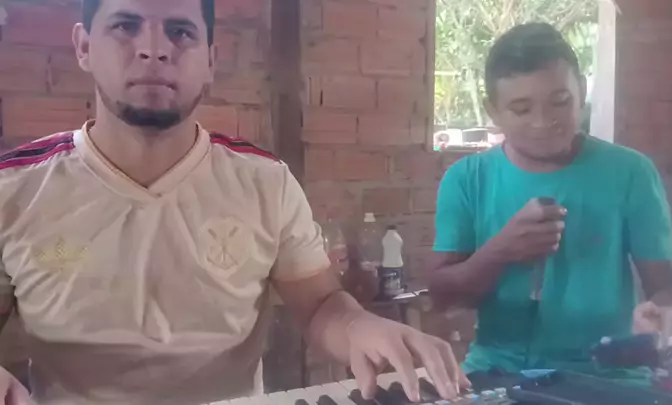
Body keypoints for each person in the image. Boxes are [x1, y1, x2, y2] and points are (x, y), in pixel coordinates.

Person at [0, 1, 469, 404]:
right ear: (83, 47)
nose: (154, 49)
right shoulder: (15, 187)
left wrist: (359, 328)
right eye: (125, 25)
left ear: (210, 59)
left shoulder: (265, 182)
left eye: (180, 32)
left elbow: (321, 304)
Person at [429, 23, 672, 377]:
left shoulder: (630, 172)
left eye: (560, 102)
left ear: (581, 90)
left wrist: (661, 319)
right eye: (522, 109)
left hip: (610, 375)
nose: (544, 121)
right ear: (494, 111)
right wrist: (501, 251)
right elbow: (442, 298)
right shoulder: (466, 179)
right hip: (497, 372)